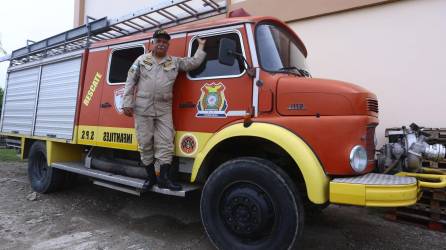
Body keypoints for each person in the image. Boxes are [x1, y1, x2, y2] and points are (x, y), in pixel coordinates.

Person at [123, 29, 206, 191]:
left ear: (168, 45)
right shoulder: (141, 60)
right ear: (152, 43)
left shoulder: (174, 62)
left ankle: (164, 179)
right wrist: (127, 101)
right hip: (143, 106)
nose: (161, 44)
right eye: (158, 41)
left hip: (164, 108)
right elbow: (130, 80)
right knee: (145, 143)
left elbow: (193, 63)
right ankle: (151, 178)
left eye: (164, 42)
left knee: (166, 142)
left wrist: (201, 47)